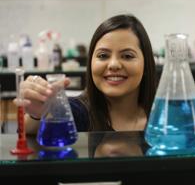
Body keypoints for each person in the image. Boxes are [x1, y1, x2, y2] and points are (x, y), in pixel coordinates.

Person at [15, 14, 157, 134]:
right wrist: (37, 114)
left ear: (146, 64)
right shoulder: (76, 113)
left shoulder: (164, 117)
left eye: (127, 56)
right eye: (103, 55)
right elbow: (31, 132)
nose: (113, 64)